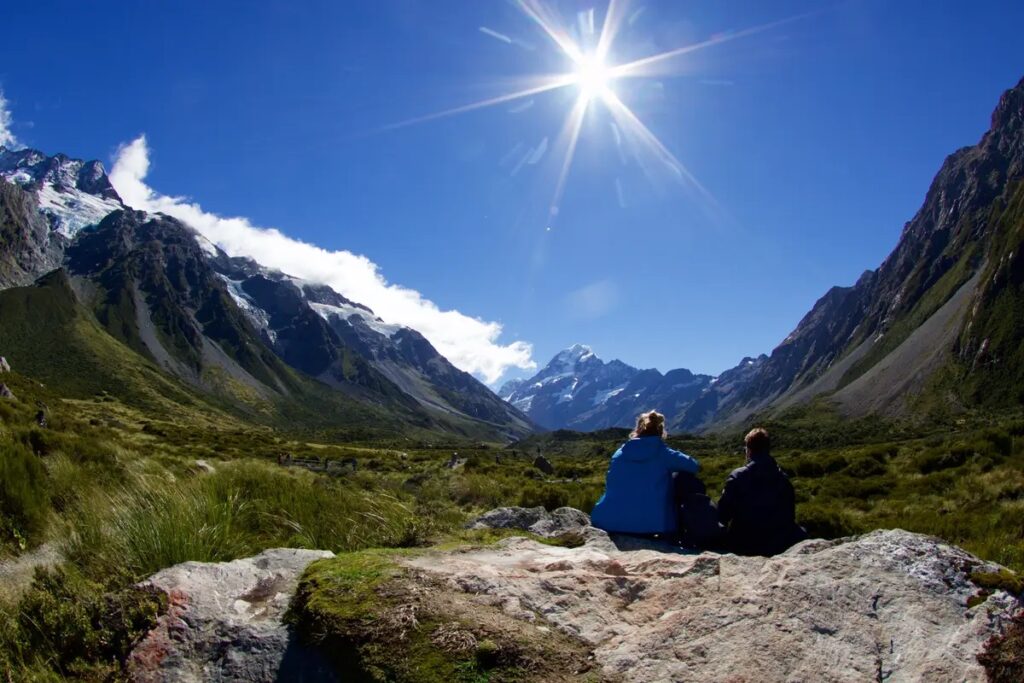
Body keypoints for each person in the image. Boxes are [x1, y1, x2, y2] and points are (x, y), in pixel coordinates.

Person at [590, 410, 701, 537]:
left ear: (637, 430)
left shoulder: (619, 453)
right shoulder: (664, 454)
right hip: (653, 526)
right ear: (660, 431)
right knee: (684, 477)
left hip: (610, 522)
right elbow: (694, 466)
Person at [718, 427, 806, 556]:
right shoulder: (783, 479)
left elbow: (723, 515)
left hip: (745, 545)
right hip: (779, 545)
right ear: (768, 449)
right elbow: (790, 516)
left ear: (748, 450)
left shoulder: (738, 476)